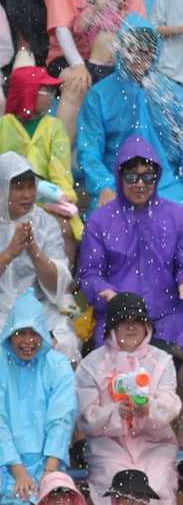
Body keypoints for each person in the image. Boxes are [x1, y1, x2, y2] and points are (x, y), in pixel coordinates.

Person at [77, 136, 183, 437]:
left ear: (158, 177)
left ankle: (182, 420)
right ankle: (117, 429)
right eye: (132, 176)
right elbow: (89, 274)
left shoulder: (177, 216)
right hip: (118, 317)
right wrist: (107, 295)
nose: (140, 184)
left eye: (148, 177)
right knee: (105, 361)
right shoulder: (100, 220)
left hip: (167, 314)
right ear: (120, 176)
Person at [73, 290, 180, 505]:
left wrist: (149, 409)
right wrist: (113, 413)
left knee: (161, 490)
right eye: (123, 322)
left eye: (136, 321)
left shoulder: (161, 360)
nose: (130, 327)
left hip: (154, 445)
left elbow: (171, 403)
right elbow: (85, 419)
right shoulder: (91, 365)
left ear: (147, 327)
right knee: (115, 494)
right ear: (112, 328)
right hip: (108, 447)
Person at [74, 21, 183, 210]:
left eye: (145, 51)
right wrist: (104, 185)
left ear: (155, 53)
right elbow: (89, 151)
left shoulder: (174, 94)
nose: (138, 57)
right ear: (121, 51)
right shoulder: (99, 95)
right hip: (118, 185)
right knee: (106, 220)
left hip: (167, 185)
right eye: (132, 49)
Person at [0, 292, 78, 505]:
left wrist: (49, 472)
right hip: (7, 465)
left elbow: (62, 418)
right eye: (20, 332)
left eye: (34, 333)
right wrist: (18, 471)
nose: (28, 341)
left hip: (49, 462)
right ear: (10, 333)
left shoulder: (56, 365)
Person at [0, 154, 79, 361]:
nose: (27, 195)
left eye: (31, 186)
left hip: (40, 310)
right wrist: (9, 253)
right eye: (19, 188)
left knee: (67, 344)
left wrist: (34, 251)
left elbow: (58, 284)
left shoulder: (45, 223)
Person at [0, 68, 78, 238]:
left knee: (65, 229)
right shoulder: (3, 126)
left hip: (44, 199)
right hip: (6, 199)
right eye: (46, 90)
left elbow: (60, 171)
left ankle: (63, 266)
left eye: (53, 91)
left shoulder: (54, 127)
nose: (52, 95)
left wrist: (65, 196)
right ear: (29, 92)